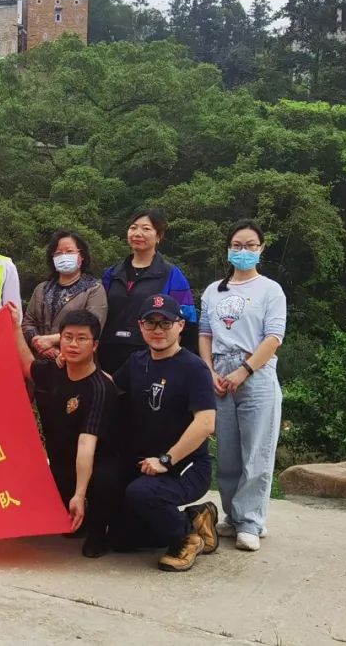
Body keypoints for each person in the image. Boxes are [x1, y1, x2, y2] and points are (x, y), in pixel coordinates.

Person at [109, 294, 218, 572]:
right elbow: (108, 386)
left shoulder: (194, 368)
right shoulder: (137, 361)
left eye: (165, 323)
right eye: (151, 323)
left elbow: (206, 423)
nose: (158, 330)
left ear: (180, 325)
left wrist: (166, 460)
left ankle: (186, 539)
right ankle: (196, 518)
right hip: (146, 464)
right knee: (121, 539)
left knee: (141, 493)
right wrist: (72, 364)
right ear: (140, 326)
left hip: (185, 467)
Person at [199, 220, 286, 552]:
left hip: (256, 371)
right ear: (228, 248)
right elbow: (205, 334)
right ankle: (233, 516)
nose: (243, 251)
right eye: (237, 245)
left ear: (261, 249)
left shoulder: (270, 290)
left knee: (256, 451)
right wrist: (208, 370)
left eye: (250, 245)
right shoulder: (213, 291)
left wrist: (245, 370)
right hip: (219, 371)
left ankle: (251, 521)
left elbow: (274, 337)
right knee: (228, 452)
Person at [12, 306, 122, 557]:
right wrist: (15, 327)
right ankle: (78, 517)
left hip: (96, 463)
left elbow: (86, 445)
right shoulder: (54, 371)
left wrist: (80, 495)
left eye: (82, 338)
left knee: (103, 482)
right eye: (68, 337)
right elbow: (28, 366)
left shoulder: (101, 388)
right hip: (61, 463)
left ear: (95, 346)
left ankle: (98, 532)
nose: (73, 344)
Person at [99, 209, 198, 375]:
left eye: (146, 229)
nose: (138, 233)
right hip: (108, 357)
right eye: (133, 227)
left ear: (159, 236)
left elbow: (187, 322)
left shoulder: (171, 275)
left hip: (151, 359)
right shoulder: (111, 274)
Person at [23, 230, 107, 361]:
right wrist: (39, 343)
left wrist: (51, 340)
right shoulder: (42, 289)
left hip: (76, 361)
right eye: (58, 253)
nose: (64, 256)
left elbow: (93, 328)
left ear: (81, 255)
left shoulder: (94, 289)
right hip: (40, 361)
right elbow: (28, 323)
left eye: (69, 252)